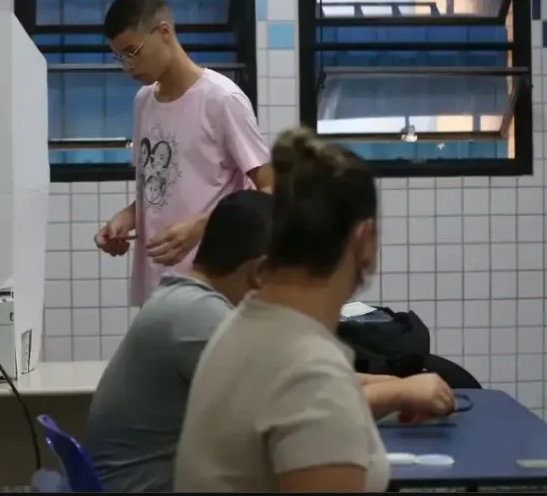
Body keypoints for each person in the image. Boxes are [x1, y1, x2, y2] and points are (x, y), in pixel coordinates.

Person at [87, 189, 456, 493]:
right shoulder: (196, 318)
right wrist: (401, 394)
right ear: (259, 272)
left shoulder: (188, 301)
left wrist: (401, 384)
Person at [174, 128, 456, 493]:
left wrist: (397, 390)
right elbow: (310, 394)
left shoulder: (242, 328)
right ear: (364, 240)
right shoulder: (311, 372)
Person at [92, 0, 273, 307]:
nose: (128, 66)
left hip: (213, 287)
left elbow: (271, 190)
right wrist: (127, 218)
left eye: (132, 51)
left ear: (164, 32)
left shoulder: (222, 100)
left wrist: (202, 226)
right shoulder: (143, 102)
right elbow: (159, 189)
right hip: (157, 286)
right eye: (120, 56)